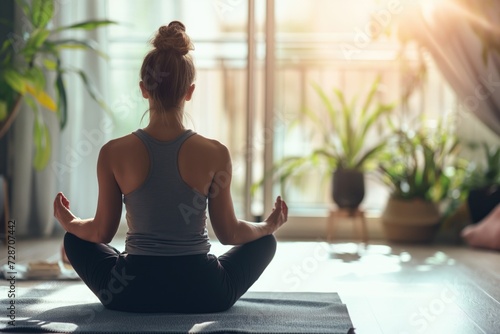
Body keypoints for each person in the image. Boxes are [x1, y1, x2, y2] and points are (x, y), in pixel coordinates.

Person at [53, 21, 288, 313]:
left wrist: (69, 222)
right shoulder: (215, 153)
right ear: (189, 91)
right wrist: (268, 226)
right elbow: (230, 234)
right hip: (205, 292)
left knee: (74, 241)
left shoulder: (113, 153)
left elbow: (101, 233)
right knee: (265, 243)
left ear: (143, 89)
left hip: (129, 292)